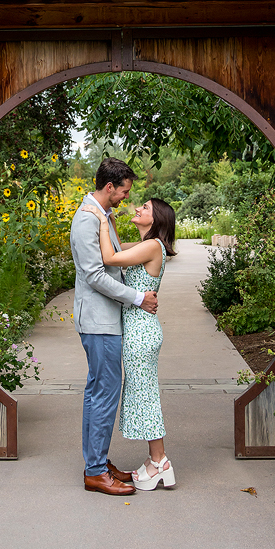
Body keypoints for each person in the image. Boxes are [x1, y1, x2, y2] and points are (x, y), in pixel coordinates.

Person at [70, 158, 159, 496]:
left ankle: (99, 461)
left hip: (105, 320)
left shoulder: (101, 216)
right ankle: (95, 471)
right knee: (104, 393)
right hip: (98, 321)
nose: (125, 198)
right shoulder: (86, 220)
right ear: (109, 187)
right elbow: (94, 276)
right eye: (123, 191)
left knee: (101, 391)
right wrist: (138, 298)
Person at [81, 196, 177, 491]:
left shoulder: (151, 246)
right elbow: (117, 249)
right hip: (139, 329)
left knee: (144, 395)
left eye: (145, 208)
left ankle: (160, 462)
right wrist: (107, 219)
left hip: (141, 332)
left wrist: (99, 219)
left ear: (157, 218)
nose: (138, 208)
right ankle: (155, 461)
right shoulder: (144, 246)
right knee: (142, 393)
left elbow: (109, 258)